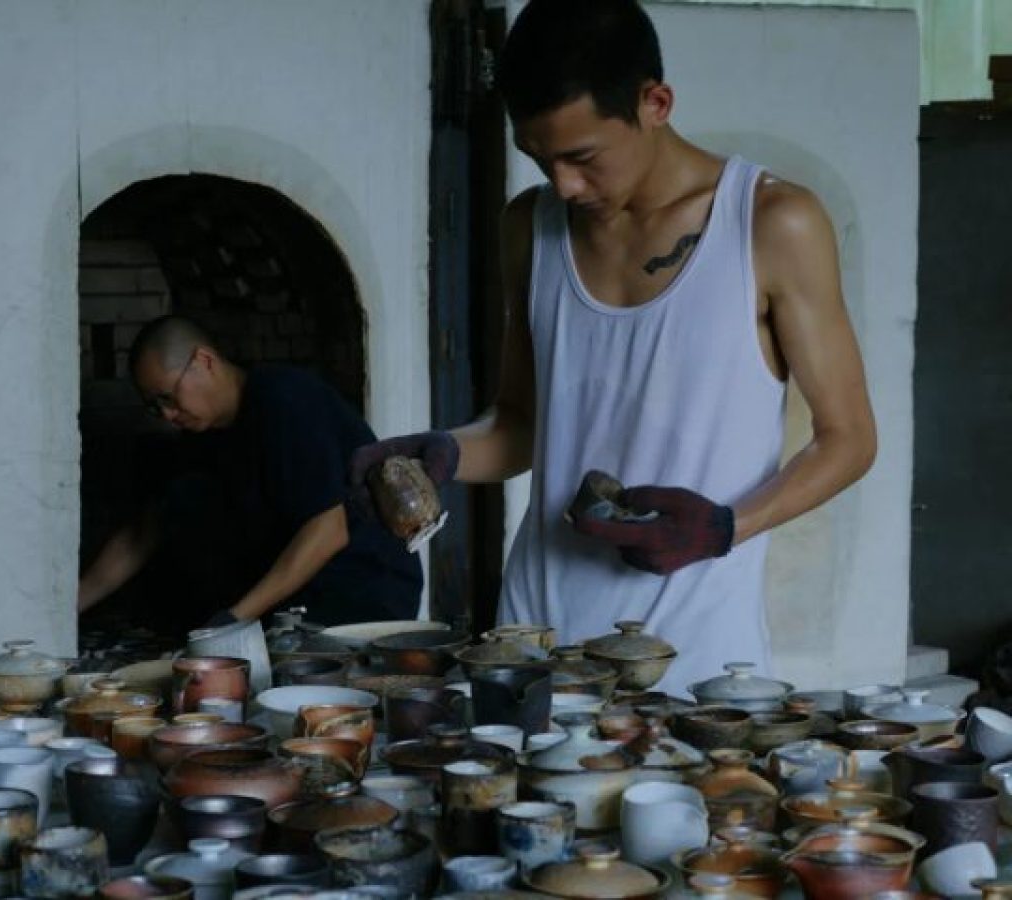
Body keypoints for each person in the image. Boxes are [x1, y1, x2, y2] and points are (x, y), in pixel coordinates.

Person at [350, 0, 877, 694]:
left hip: (693, 661)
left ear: (655, 102)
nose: (564, 185)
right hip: (533, 644)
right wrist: (442, 453)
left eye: (582, 157)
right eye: (540, 159)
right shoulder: (529, 228)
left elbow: (849, 439)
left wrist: (723, 528)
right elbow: (521, 426)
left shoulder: (773, 223)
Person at [79, 315, 423, 631]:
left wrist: (234, 619)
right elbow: (145, 530)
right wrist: (71, 606)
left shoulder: (284, 401)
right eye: (155, 406)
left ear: (204, 361)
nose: (167, 415)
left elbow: (328, 531)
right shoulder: (201, 436)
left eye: (168, 398)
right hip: (294, 603)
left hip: (364, 597)